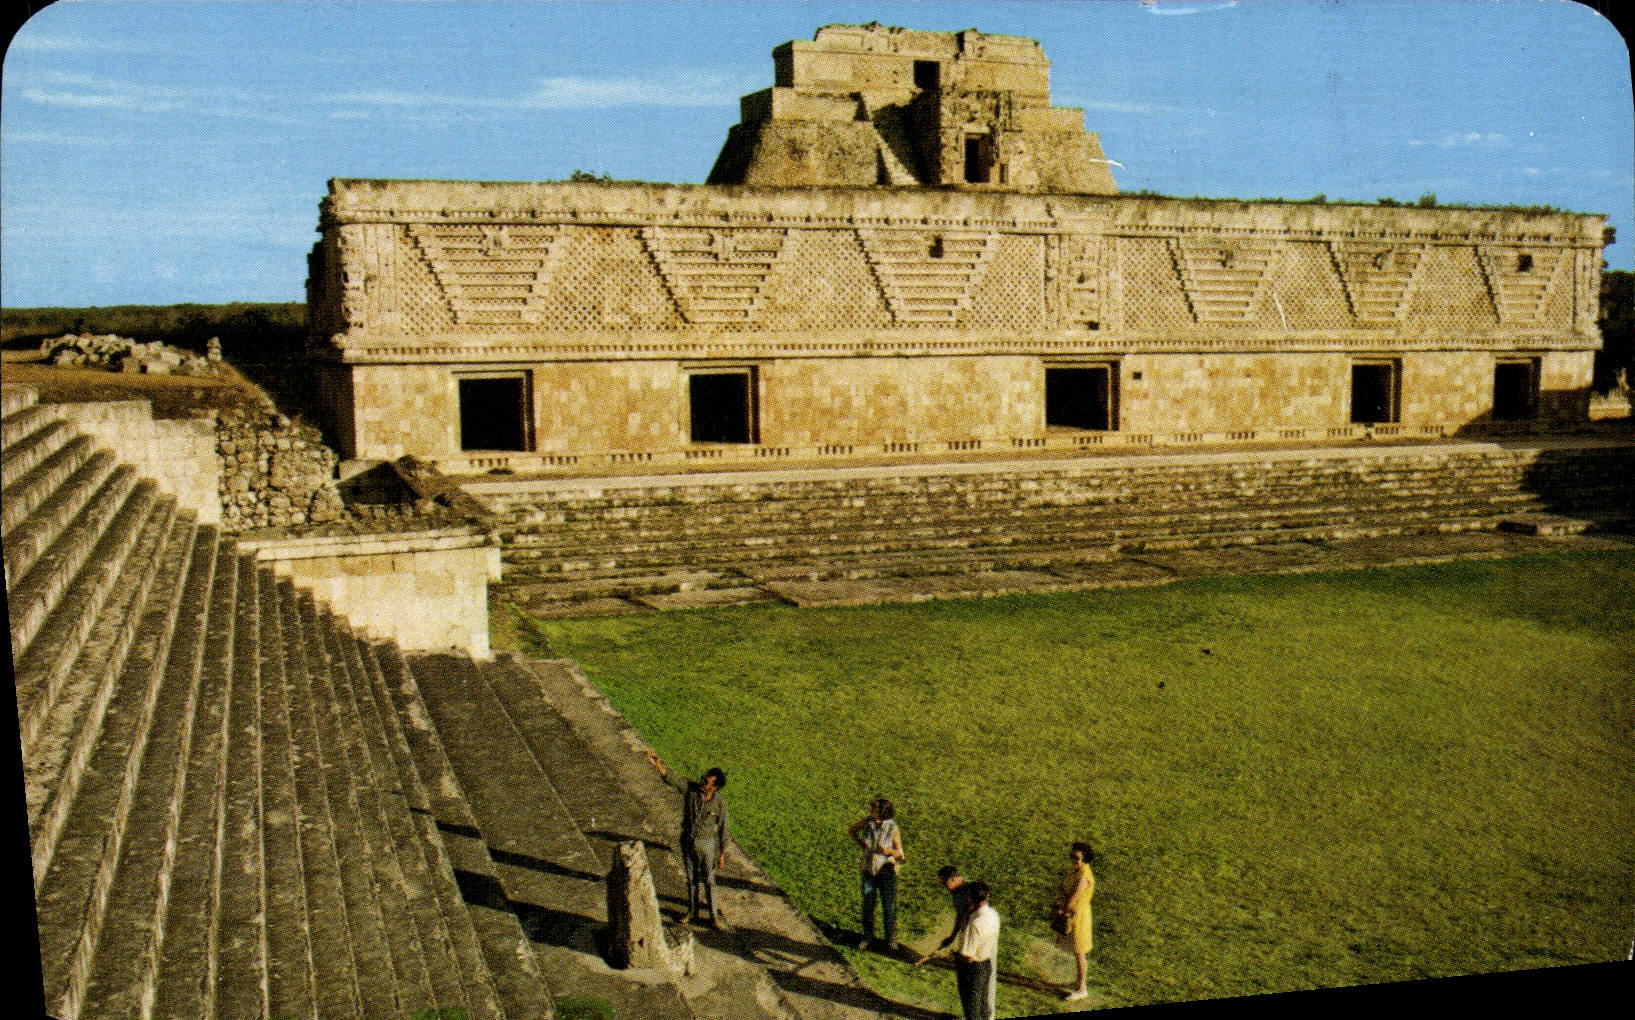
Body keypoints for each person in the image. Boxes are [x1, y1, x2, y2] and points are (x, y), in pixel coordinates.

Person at [645, 749, 730, 930]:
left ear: (714, 787)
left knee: (709, 880)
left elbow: (723, 827)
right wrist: (658, 764)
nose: (702, 782)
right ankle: (692, 911)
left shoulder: (719, 803)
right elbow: (672, 779)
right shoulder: (691, 790)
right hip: (688, 841)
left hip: (707, 844)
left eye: (707, 782)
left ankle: (713, 915)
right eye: (704, 778)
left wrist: (722, 853)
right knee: (691, 878)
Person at [848, 797, 905, 950]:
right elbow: (852, 831)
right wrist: (863, 847)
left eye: (873, 808)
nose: (870, 810)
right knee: (868, 904)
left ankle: (890, 939)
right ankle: (867, 937)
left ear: (881, 812)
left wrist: (889, 851)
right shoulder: (866, 823)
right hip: (868, 870)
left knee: (888, 906)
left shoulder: (892, 828)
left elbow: (901, 855)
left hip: (886, 871)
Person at [1052, 842, 1095, 1002]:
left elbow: (1073, 898)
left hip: (1079, 916)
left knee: (1079, 952)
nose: (1073, 860)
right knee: (1076, 951)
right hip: (1072, 914)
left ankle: (1082, 988)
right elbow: (1063, 888)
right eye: (1072, 856)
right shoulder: (1074, 871)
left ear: (1085, 859)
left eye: (1076, 858)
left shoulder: (1084, 876)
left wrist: (1062, 911)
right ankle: (1079, 982)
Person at [954, 880, 999, 1020]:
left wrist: (954, 956)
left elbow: (968, 956)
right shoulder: (993, 915)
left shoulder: (975, 923)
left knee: (972, 1008)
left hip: (973, 969)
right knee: (983, 1004)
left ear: (970, 898)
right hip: (986, 964)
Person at [935, 865, 972, 954]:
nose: (945, 886)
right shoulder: (957, 892)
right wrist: (952, 937)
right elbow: (960, 916)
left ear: (952, 879)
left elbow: (963, 915)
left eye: (945, 883)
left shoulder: (968, 890)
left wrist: (952, 936)